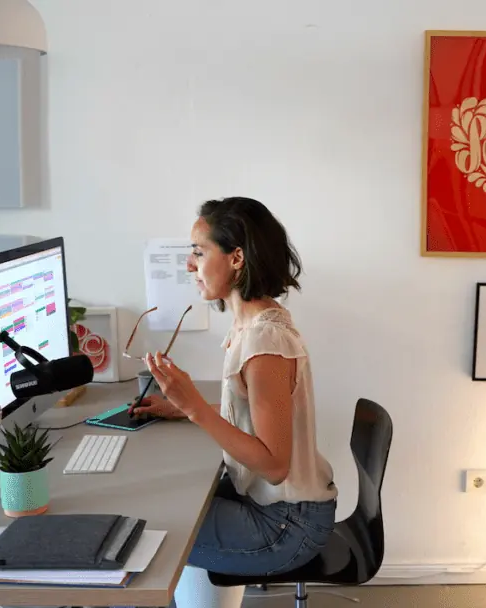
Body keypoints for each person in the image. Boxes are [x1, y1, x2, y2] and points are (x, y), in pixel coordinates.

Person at [130, 196, 338, 608]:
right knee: (161, 506)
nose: (189, 265)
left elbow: (274, 466)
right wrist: (181, 408)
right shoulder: (253, 321)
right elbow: (253, 420)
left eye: (198, 251)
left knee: (143, 537)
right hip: (274, 509)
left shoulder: (265, 341)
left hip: (285, 525)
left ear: (237, 257)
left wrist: (196, 408)